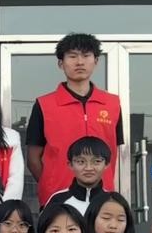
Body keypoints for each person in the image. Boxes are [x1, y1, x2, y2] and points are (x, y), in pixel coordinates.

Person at [26, 33, 123, 208]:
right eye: (72, 56)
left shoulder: (112, 104)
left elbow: (113, 152)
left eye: (86, 56)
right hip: (57, 198)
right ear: (60, 63)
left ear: (96, 61)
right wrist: (51, 185)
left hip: (102, 199)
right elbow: (33, 159)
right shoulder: (44, 104)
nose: (79, 62)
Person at [45, 137, 111, 215]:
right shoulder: (58, 200)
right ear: (70, 165)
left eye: (96, 161)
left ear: (107, 164)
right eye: (81, 162)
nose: (88, 168)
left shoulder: (112, 201)